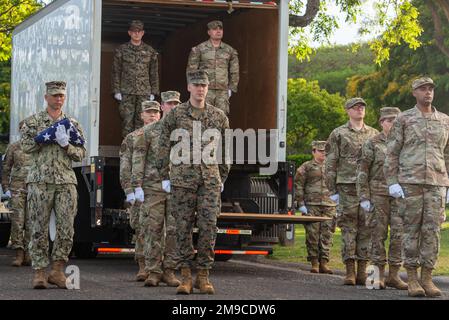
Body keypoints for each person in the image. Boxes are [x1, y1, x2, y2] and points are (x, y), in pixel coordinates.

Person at [158, 70, 230, 295]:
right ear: (188, 87)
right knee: (182, 229)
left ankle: (204, 276)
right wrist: (164, 177)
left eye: (204, 85)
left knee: (209, 228)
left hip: (209, 181)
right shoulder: (176, 114)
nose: (200, 89)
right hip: (181, 181)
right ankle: (186, 276)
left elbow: (226, 151)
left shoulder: (218, 116)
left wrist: (222, 178)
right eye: (196, 85)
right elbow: (162, 146)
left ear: (208, 88)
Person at [384, 77, 449, 297]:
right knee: (410, 231)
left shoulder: (444, 120)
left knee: (432, 232)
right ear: (414, 93)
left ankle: (427, 278)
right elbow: (391, 153)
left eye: (430, 89)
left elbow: (447, 154)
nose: (428, 92)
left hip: (436, 184)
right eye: (423, 89)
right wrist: (392, 182)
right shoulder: (404, 119)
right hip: (409, 183)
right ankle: (411, 278)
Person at [20, 81, 86, 289]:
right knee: (38, 228)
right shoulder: (33, 122)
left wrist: (66, 145)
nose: (59, 99)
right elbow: (26, 147)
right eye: (55, 95)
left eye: (62, 96)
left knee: (66, 228)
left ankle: (57, 271)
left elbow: (81, 153)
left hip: (66, 181)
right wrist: (45, 138)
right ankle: (39, 272)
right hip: (40, 182)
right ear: (46, 97)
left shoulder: (71, 124)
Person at [325, 97, 378, 286]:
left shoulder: (374, 134)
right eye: (355, 108)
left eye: (362, 107)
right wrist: (332, 189)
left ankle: (363, 271)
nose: (360, 110)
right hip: (346, 186)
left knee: (366, 228)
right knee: (348, 228)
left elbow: (378, 163)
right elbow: (330, 162)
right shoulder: (338, 133)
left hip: (367, 188)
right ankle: (349, 271)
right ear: (348, 111)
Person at [132, 93, 181, 288]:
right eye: (169, 104)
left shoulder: (183, 131)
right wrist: (136, 186)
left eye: (176, 103)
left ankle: (169, 270)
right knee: (153, 230)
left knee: (174, 231)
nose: (173, 107)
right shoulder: (149, 132)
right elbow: (138, 159)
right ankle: (153, 271)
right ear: (163, 107)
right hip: (153, 187)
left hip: (177, 187)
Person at [356, 107, 407, 290]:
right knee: (377, 235)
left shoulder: (404, 143)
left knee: (398, 234)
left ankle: (394, 275)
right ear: (381, 122)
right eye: (389, 120)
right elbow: (362, 171)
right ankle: (376, 276)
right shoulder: (372, 143)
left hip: (399, 195)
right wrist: (364, 197)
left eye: (396, 120)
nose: (393, 123)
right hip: (377, 195)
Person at [119, 100, 161, 281]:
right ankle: (143, 265)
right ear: (141, 115)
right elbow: (125, 165)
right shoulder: (132, 137)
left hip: (158, 189)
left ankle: (158, 266)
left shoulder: (164, 136)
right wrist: (129, 189)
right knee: (141, 228)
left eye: (155, 112)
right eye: (148, 112)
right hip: (140, 190)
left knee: (159, 229)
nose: (152, 115)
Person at [112, 20, 159, 138]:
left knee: (142, 121)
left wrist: (154, 91)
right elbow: (115, 71)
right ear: (129, 33)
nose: (136, 34)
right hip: (126, 92)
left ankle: (140, 152)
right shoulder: (121, 50)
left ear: (143, 33)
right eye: (133, 31)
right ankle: (127, 153)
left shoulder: (149, 51)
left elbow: (153, 72)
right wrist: (116, 90)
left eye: (139, 31)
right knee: (127, 122)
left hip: (144, 92)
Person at [295, 141, 336, 274]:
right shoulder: (306, 167)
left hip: (329, 205)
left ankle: (324, 262)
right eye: (320, 151)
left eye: (325, 151)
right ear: (313, 152)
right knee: (312, 235)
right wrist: (300, 204)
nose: (323, 153)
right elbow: (299, 185)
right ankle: (314, 262)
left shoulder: (333, 166)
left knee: (327, 235)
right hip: (312, 205)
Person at [186, 20, 239, 115]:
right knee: (202, 115)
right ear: (209, 32)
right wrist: (193, 87)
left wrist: (232, 87)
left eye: (220, 29)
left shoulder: (229, 50)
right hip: (204, 89)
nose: (218, 31)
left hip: (222, 91)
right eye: (214, 29)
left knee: (221, 117)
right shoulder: (199, 49)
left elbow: (234, 71)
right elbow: (191, 70)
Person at [1, 121, 32, 267]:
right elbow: (6, 167)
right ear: (20, 130)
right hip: (17, 188)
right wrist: (5, 186)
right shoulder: (14, 147)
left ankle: (29, 254)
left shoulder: (37, 147)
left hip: (34, 188)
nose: (25, 131)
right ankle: (19, 253)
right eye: (23, 129)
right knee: (18, 221)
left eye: (28, 129)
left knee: (32, 222)